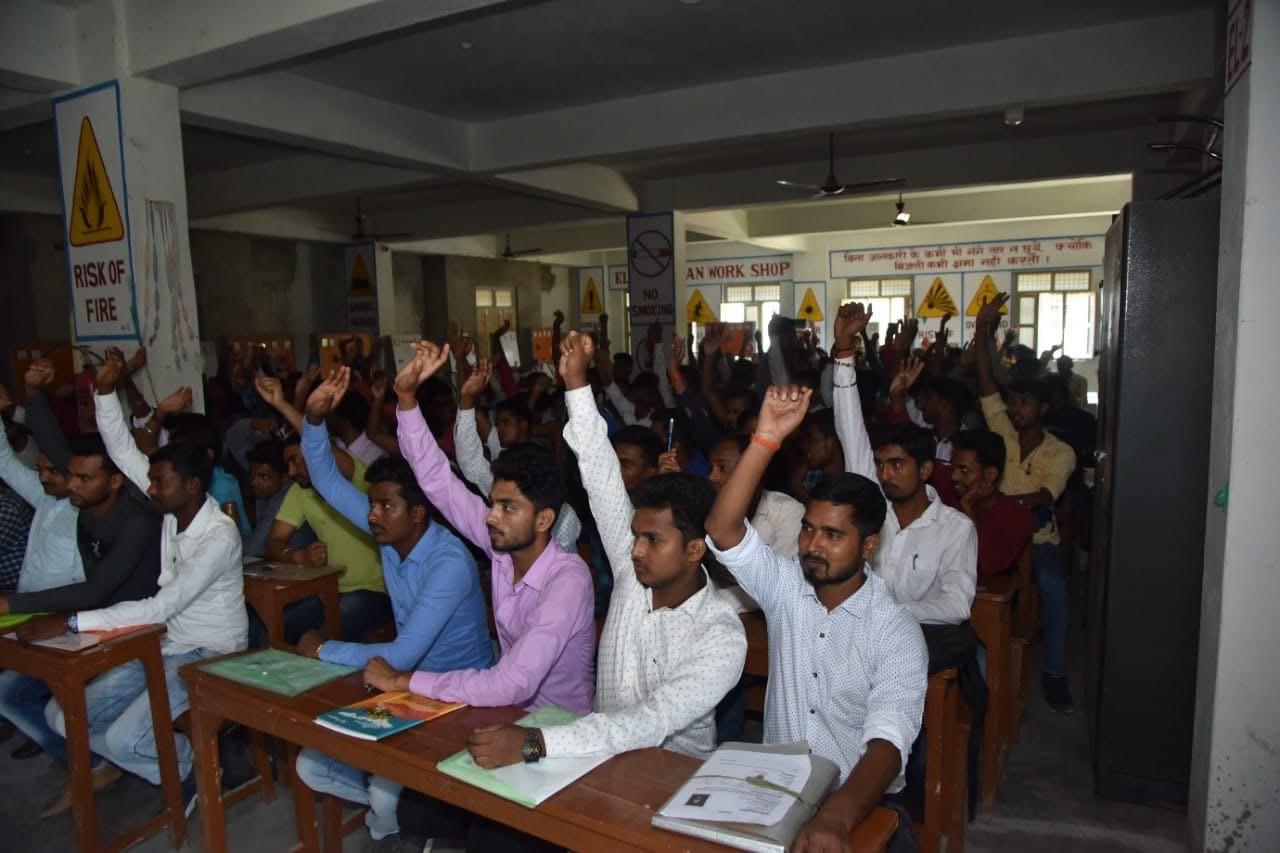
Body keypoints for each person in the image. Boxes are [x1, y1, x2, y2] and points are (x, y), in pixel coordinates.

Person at [462, 331, 745, 772]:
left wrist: (535, 743)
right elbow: (601, 475)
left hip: (672, 775)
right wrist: (577, 383)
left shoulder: (721, 633)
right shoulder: (633, 571)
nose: (635, 550)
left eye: (653, 540)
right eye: (635, 535)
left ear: (694, 550)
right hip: (594, 753)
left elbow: (651, 720)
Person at [704, 383, 928, 851]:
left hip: (857, 800)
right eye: (808, 530)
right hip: (775, 790)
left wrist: (837, 817)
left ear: (868, 546)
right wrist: (765, 439)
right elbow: (722, 529)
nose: (812, 546)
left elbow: (888, 741)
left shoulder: (894, 628)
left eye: (832, 535)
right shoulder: (787, 586)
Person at [291, 367, 494, 849]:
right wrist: (314, 421)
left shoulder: (448, 563)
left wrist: (322, 650)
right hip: (400, 687)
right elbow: (325, 478)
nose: (373, 515)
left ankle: (404, 818)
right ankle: (407, 812)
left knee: (385, 798)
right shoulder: (390, 534)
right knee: (310, 766)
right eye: (372, 505)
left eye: (385, 506)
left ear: (417, 513)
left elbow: (402, 655)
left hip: (453, 698)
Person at [363, 342, 595, 720]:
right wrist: (406, 399)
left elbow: (514, 682)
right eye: (493, 504)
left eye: (508, 508)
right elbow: (438, 480)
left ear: (544, 520)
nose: (491, 517)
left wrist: (403, 681)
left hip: (558, 729)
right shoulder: (502, 549)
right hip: (505, 713)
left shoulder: (568, 580)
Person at [46, 436, 247, 813]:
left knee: (123, 739)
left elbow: (160, 608)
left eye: (158, 482)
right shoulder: (172, 509)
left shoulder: (219, 536)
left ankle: (190, 772)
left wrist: (73, 621)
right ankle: (181, 762)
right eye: (150, 480)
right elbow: (122, 450)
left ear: (191, 485)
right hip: (168, 644)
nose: (150, 488)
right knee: (61, 717)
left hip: (212, 653)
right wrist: (103, 401)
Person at [0, 433, 162, 811]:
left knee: (61, 707)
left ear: (115, 480)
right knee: (9, 693)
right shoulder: (86, 513)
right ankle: (91, 767)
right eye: (71, 476)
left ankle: (114, 765)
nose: (71, 484)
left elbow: (95, 591)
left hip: (139, 633)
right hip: (95, 624)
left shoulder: (137, 523)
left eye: (83, 478)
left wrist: (12, 604)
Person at [831, 303, 978, 632]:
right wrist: (844, 351)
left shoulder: (955, 529)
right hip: (858, 632)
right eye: (880, 464)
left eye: (897, 465)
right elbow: (850, 429)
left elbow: (956, 604)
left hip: (917, 638)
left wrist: (887, 612)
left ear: (925, 470)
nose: (884, 474)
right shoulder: (874, 504)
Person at [974, 294, 1077, 714]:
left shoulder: (1061, 453)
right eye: (1013, 402)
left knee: (1054, 587)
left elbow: (1043, 497)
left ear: (1043, 409)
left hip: (1037, 539)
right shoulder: (1003, 432)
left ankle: (1054, 672)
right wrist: (982, 328)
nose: (1015, 410)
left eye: (1024, 403)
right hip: (996, 534)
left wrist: (993, 500)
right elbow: (985, 382)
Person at [452, 359, 583, 552]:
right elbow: (470, 459)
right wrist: (466, 396)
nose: (500, 429)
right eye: (498, 424)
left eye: (506, 423)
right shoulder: (503, 473)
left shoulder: (563, 513)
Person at [949, 430, 1036, 579]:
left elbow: (991, 566)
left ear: (990, 475)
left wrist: (967, 509)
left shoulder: (1017, 516)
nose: (954, 476)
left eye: (964, 470)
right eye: (952, 468)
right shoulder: (950, 500)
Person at [241, 437, 315, 559]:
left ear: (285, 477)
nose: (254, 482)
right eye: (252, 475)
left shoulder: (287, 494)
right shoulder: (264, 493)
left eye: (264, 477)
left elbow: (252, 549)